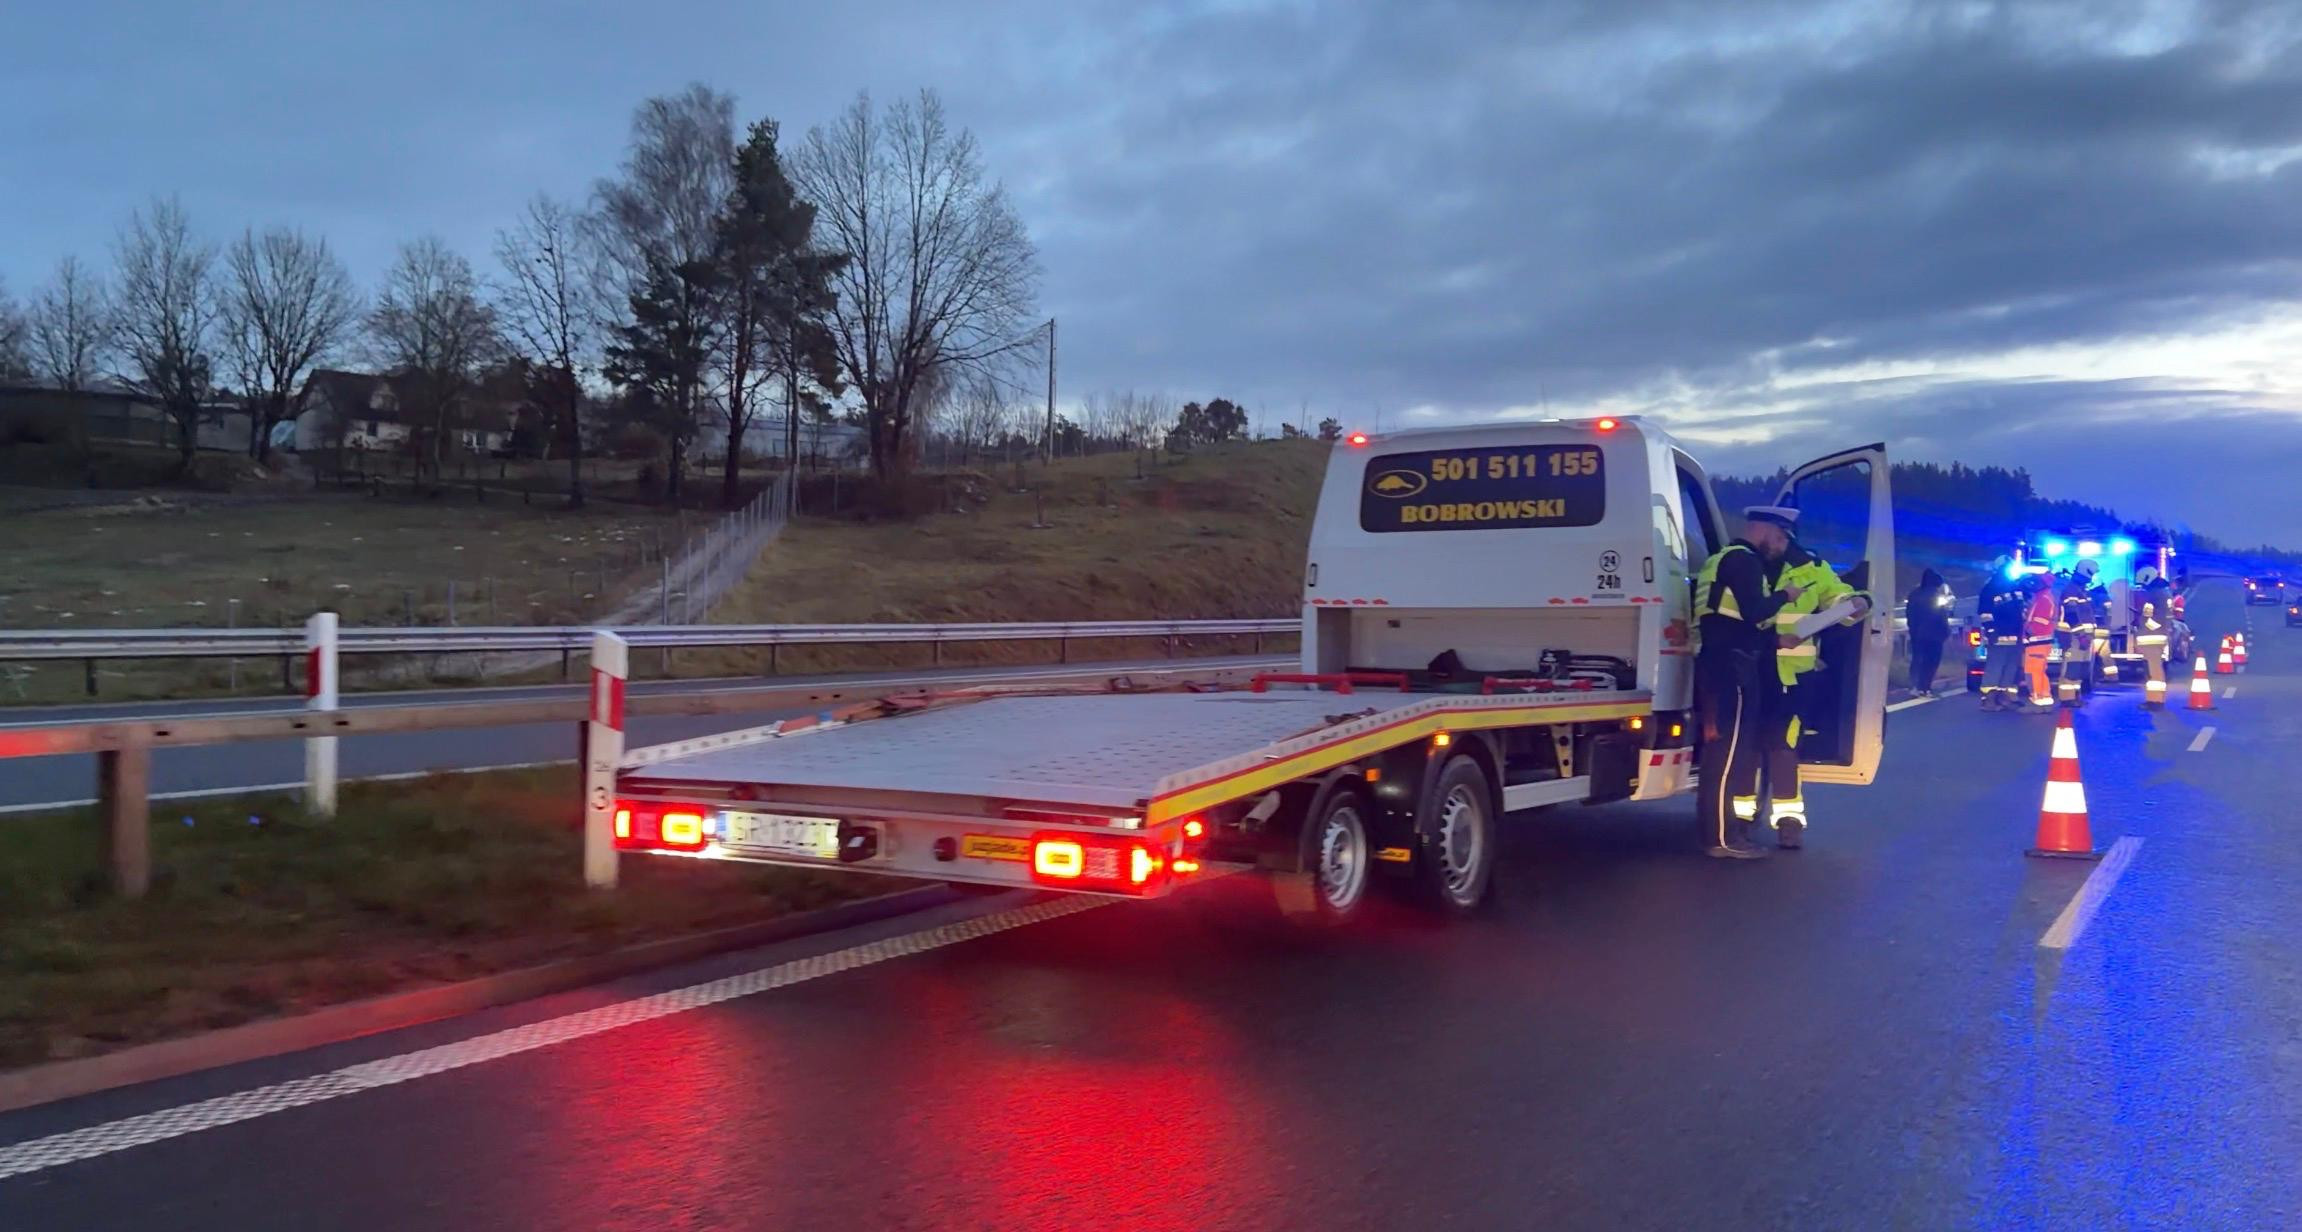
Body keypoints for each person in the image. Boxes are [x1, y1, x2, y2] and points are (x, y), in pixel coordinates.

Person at [1694, 506, 1803, 860]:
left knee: (1722, 753)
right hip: (1733, 667)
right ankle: (1722, 838)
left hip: (1718, 661)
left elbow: (1731, 621)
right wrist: (1785, 596)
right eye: (1781, 537)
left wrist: (1775, 641)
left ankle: (1721, 833)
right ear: (1765, 529)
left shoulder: (1720, 559)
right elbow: (1754, 612)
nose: (1782, 546)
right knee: (1726, 756)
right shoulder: (1744, 561)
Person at [1762, 541, 1869, 848]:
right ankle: (1737, 819)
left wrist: (1859, 601)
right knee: (1747, 746)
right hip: (1752, 669)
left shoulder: (1813, 570)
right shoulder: (1746, 561)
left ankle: (1788, 821)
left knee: (1784, 745)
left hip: (1794, 676)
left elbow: (1840, 598)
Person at [1980, 568, 2031, 711]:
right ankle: (1989, 699)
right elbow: (1984, 612)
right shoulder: (1990, 588)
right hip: (1999, 634)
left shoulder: (2016, 587)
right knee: (1995, 666)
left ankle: (2003, 697)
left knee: (2010, 667)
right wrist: (1991, 630)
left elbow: (2023, 607)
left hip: (2015, 635)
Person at [1904, 568, 1953, 696]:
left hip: (1917, 634)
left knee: (1917, 659)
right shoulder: (1936, 596)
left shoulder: (1914, 594)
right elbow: (1941, 616)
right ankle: (1925, 688)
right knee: (1931, 662)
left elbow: (1909, 614)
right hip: (1934, 635)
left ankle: (1914, 686)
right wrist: (1946, 632)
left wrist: (1913, 629)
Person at [2021, 573, 2058, 711]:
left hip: (2036, 641)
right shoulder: (2044, 597)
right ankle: (2045, 699)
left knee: (2032, 672)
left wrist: (2028, 631)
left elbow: (2039, 621)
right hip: (2041, 641)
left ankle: (2036, 700)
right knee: (2040, 671)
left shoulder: (2043, 599)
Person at [2134, 599, 2170, 707]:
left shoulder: (2153, 605)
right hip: (2153, 646)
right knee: (2153, 674)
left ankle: (2155, 701)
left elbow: (2152, 625)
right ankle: (2154, 699)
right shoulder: (2160, 603)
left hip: (2152, 646)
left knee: (2154, 674)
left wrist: (2142, 620)